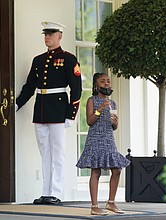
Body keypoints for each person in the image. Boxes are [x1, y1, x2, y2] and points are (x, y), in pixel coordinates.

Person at [16, 21, 82, 204]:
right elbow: (30, 86)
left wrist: (71, 113)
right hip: (42, 110)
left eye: (51, 34)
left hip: (59, 110)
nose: (47, 37)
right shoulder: (38, 60)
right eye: (45, 34)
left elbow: (76, 88)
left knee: (58, 153)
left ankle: (57, 192)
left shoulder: (68, 59)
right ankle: (46, 192)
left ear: (59, 36)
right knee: (45, 153)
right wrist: (17, 105)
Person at [76, 72, 130, 215]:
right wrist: (99, 109)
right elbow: (89, 121)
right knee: (96, 170)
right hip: (95, 139)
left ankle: (111, 203)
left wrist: (115, 124)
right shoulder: (91, 100)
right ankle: (94, 206)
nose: (106, 83)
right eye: (102, 81)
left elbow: (113, 126)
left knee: (117, 169)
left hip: (108, 138)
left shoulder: (112, 103)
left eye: (108, 81)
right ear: (96, 85)